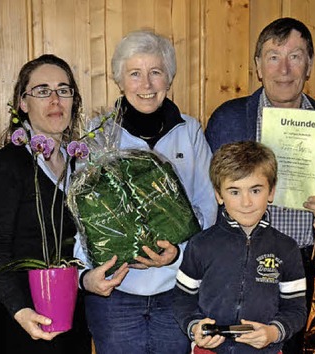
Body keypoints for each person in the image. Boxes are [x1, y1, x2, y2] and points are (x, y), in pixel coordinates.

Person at [74, 29, 218, 354]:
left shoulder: (190, 131)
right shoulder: (97, 134)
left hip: (177, 289)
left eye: (155, 72)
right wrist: (87, 274)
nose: (147, 85)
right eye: (135, 74)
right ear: (120, 81)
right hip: (116, 293)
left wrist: (179, 253)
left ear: (169, 78)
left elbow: (207, 207)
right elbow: (82, 214)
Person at [204, 17, 315, 354]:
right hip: (239, 266)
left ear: (310, 65)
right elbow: (210, 196)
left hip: (302, 265)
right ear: (258, 67)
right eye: (273, 56)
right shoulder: (229, 119)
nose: (284, 69)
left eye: (296, 56)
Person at [0, 54, 91, 354]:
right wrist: (19, 309)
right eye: (42, 91)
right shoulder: (6, 166)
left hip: (74, 317)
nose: (55, 100)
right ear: (23, 103)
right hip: (24, 323)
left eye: (63, 90)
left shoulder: (81, 164)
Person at [172, 141, 307, 354]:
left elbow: (296, 309)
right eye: (234, 192)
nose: (246, 202)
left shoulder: (287, 248)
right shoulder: (200, 245)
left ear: (271, 191)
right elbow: (182, 300)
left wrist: (273, 333)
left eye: (255, 190)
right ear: (218, 194)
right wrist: (195, 327)